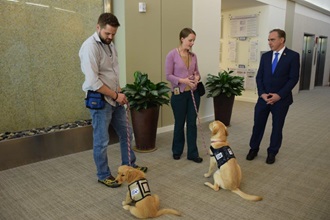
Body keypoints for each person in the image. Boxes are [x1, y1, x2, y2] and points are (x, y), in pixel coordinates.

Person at [79, 13, 147, 188]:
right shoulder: (89, 47)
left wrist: (119, 92)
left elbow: (112, 72)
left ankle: (129, 165)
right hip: (100, 101)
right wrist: (115, 95)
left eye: (113, 34)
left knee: (126, 133)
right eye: (107, 33)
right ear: (98, 28)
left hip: (115, 97)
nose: (110, 37)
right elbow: (94, 82)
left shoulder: (110, 46)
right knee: (101, 141)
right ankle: (103, 174)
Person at [246, 29, 300, 164]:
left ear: (281, 40)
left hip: (281, 100)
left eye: (272, 40)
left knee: (277, 127)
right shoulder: (265, 56)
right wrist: (262, 93)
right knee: (258, 125)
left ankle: (272, 152)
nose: (269, 42)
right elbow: (259, 77)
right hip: (263, 98)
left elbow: (293, 79)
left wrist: (279, 95)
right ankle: (253, 148)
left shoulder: (293, 56)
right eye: (269, 40)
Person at [165, 28, 203, 163]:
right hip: (179, 95)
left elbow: (197, 72)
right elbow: (168, 75)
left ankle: (193, 153)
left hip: (193, 94)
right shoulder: (172, 55)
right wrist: (183, 81)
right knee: (179, 123)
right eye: (190, 40)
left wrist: (196, 79)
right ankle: (177, 150)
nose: (192, 43)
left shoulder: (193, 56)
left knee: (192, 124)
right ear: (182, 39)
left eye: (193, 41)